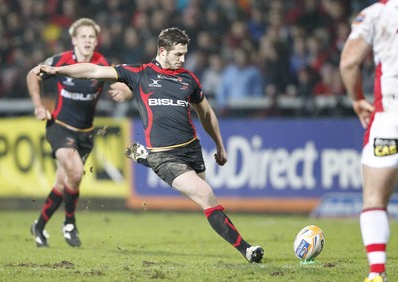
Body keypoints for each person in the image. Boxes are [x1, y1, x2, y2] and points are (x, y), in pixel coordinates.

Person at [33, 27, 264, 263]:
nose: (182, 59)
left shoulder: (189, 79)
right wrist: (58, 70)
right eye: (178, 54)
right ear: (162, 51)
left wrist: (220, 146)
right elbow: (92, 70)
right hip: (166, 157)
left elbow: (207, 114)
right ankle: (247, 250)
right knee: (206, 195)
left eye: (184, 54)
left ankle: (143, 156)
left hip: (192, 150)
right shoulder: (139, 73)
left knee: (204, 196)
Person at [26, 18, 132, 248]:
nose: (87, 40)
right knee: (75, 171)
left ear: (96, 42)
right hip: (59, 127)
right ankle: (70, 223)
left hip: (85, 134)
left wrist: (126, 91)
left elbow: (126, 85)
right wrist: (37, 104)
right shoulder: (61, 61)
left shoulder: (102, 64)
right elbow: (33, 74)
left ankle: (39, 226)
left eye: (91, 37)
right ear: (74, 40)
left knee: (63, 183)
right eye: (83, 36)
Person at [339, 1, 398, 281]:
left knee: (374, 198)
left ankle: (377, 271)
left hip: (390, 116)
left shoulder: (376, 13)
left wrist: (357, 98)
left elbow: (349, 61)